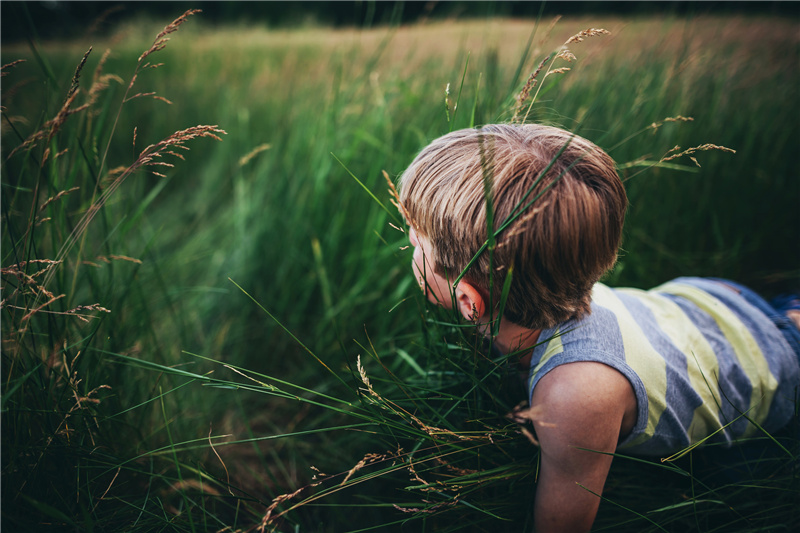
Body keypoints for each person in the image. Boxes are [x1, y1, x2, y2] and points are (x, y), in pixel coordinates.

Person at [397, 123, 800, 533]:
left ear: (469, 301)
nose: (409, 241)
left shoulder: (575, 396)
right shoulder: (557, 282)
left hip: (777, 365)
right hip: (712, 306)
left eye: (418, 242)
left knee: (742, 480)